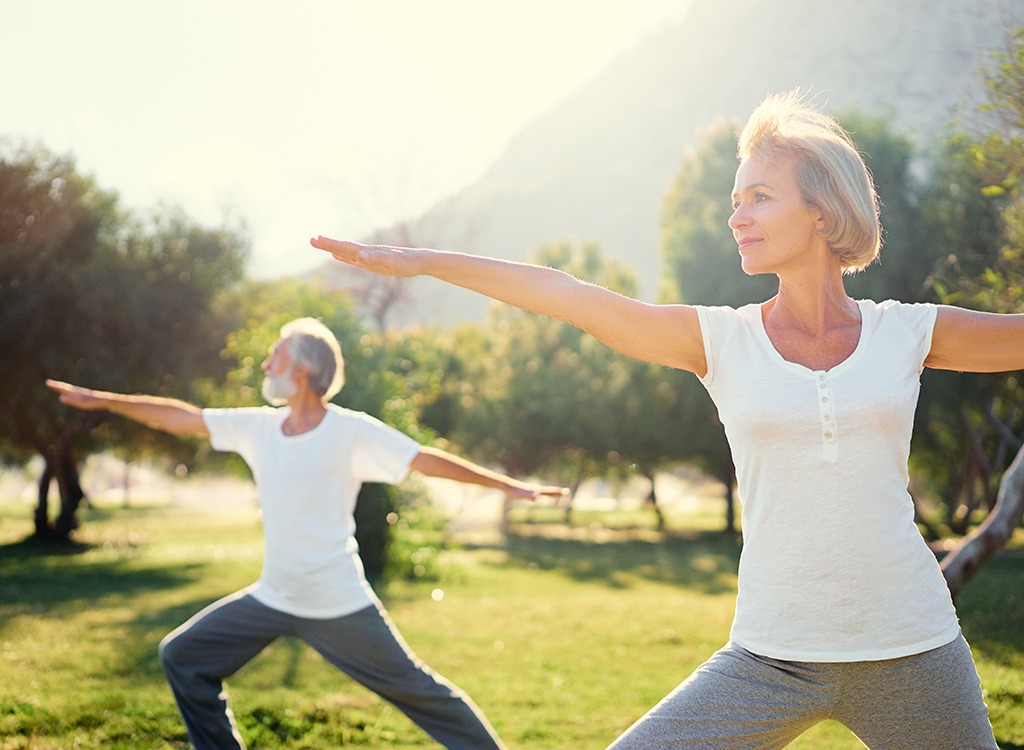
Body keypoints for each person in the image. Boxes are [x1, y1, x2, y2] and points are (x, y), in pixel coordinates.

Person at [310, 90, 1017, 749]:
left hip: (913, 649)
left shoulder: (908, 333)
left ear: (824, 212)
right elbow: (567, 296)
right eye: (734, 200)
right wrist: (421, 260)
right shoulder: (721, 341)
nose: (736, 217)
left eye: (759, 198)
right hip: (771, 658)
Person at [47, 316, 567, 750]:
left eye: (275, 355)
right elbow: (182, 418)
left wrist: (510, 487)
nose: (266, 363)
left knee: (422, 693)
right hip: (274, 595)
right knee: (182, 657)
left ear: (300, 371)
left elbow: (423, 459)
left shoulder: (350, 431)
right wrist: (104, 400)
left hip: (336, 601)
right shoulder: (259, 426)